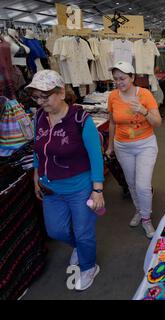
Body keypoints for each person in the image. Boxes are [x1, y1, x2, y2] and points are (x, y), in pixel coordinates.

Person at [29, 70, 104, 291]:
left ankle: (89, 266)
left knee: (83, 232)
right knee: (56, 231)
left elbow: (95, 156)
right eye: (36, 97)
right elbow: (37, 150)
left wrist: (97, 190)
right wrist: (36, 175)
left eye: (46, 96)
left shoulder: (81, 119)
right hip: (50, 187)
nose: (41, 102)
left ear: (61, 92)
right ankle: (79, 248)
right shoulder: (39, 117)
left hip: (79, 188)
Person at [105, 61, 162, 238]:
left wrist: (144, 111)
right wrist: (110, 146)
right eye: (115, 79)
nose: (119, 82)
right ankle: (139, 210)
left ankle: (146, 219)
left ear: (132, 77)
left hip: (145, 144)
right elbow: (112, 122)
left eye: (122, 78)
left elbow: (158, 123)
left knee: (143, 185)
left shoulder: (144, 94)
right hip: (123, 147)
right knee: (130, 183)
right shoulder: (113, 96)